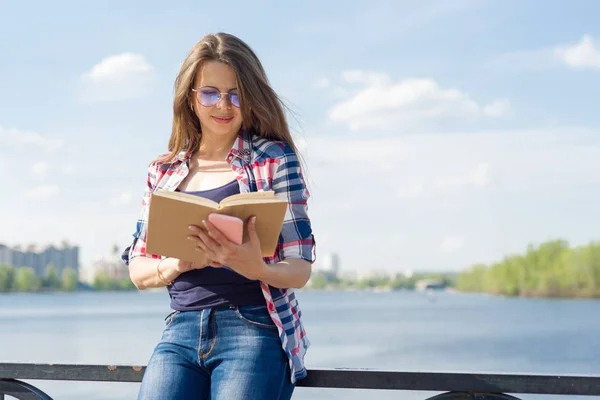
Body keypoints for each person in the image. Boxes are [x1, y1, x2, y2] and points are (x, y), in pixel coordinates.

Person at [121, 32, 316, 400]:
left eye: (235, 94)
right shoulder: (163, 172)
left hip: (253, 326)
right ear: (190, 98)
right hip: (179, 331)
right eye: (210, 93)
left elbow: (300, 268)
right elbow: (138, 269)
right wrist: (178, 263)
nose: (223, 105)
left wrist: (254, 266)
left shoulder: (274, 158)